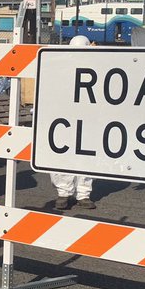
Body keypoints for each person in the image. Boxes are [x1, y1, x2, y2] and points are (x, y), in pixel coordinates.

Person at [49, 34, 97, 209]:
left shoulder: (97, 67)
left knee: (86, 157)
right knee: (63, 156)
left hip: (87, 118)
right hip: (66, 118)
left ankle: (83, 194)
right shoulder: (62, 67)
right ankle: (64, 193)